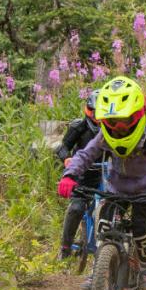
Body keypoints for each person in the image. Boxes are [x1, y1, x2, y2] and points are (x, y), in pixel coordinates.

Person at [56, 76, 146, 290]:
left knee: (142, 230)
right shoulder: (105, 135)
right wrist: (70, 175)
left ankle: (145, 270)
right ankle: (97, 273)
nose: (120, 128)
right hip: (115, 189)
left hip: (145, 191)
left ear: (138, 115)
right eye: (113, 122)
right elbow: (85, 155)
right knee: (103, 227)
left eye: (125, 121)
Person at [55, 88, 105, 261]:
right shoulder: (79, 126)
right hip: (83, 175)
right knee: (76, 208)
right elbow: (62, 147)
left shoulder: (112, 128)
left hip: (107, 175)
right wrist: (67, 159)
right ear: (88, 110)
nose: (96, 117)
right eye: (93, 112)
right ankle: (65, 248)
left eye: (100, 113)